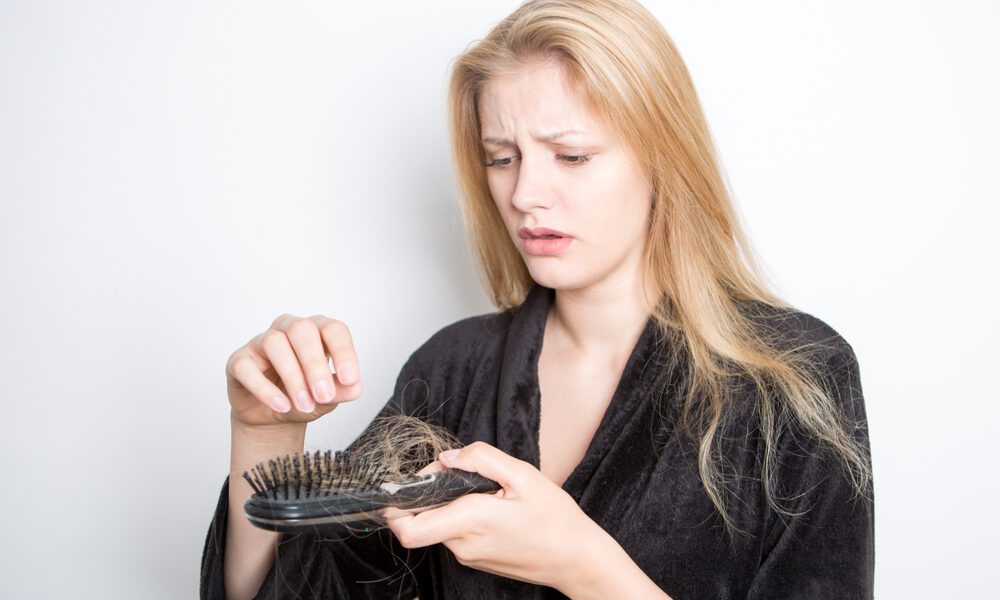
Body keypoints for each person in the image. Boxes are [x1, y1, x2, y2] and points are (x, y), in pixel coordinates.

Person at [200, 0, 874, 598]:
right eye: (502, 157)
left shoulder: (796, 377)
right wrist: (265, 431)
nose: (524, 195)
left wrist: (584, 567)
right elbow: (293, 590)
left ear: (665, 157)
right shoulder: (452, 370)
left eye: (571, 155)